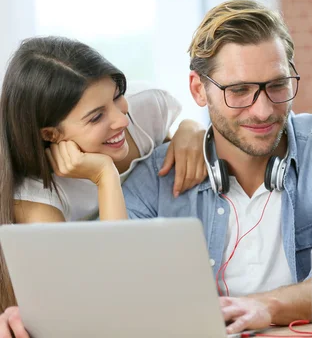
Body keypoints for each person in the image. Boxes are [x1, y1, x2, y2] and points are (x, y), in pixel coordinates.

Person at [118, 0, 312, 334]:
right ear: (198, 89)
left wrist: (265, 306)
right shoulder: (153, 183)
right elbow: (114, 294)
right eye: (240, 91)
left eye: (277, 85)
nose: (262, 111)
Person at [0, 37, 207, 316]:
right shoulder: (36, 199)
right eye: (96, 117)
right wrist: (104, 175)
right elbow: (114, 285)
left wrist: (190, 129)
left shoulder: (144, 110)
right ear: (51, 134)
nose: (122, 120)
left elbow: (168, 169)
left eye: (115, 96)